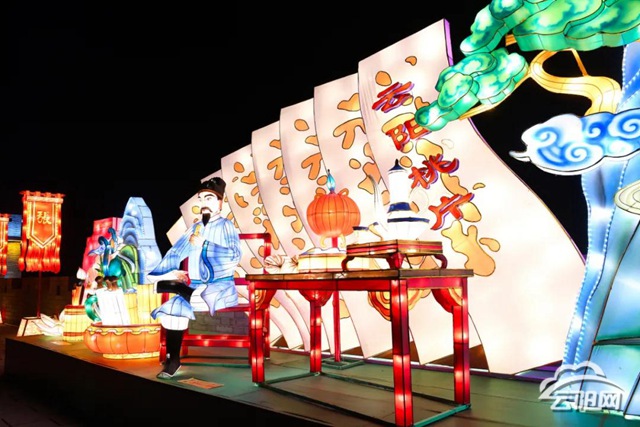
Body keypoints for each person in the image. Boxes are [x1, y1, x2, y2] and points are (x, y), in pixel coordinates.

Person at [147, 177, 242, 379]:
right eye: (201, 199)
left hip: (220, 286)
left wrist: (205, 245)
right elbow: (176, 251)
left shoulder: (226, 225)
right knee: (173, 309)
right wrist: (169, 272)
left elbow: (234, 256)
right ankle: (173, 360)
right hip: (194, 287)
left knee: (200, 296)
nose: (204, 203)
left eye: (209, 198)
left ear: (220, 202)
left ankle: (176, 288)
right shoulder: (195, 227)